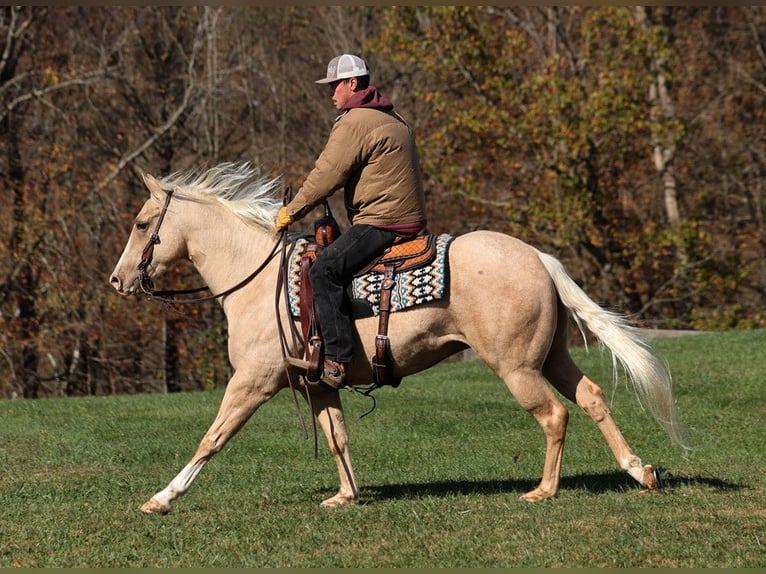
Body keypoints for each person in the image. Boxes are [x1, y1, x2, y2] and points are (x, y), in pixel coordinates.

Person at [275, 53, 428, 390]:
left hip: (382, 222)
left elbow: (325, 175)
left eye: (334, 86)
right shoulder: (392, 117)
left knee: (324, 269)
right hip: (405, 219)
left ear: (352, 84)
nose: (331, 94)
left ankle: (337, 361)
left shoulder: (356, 120)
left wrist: (292, 212)